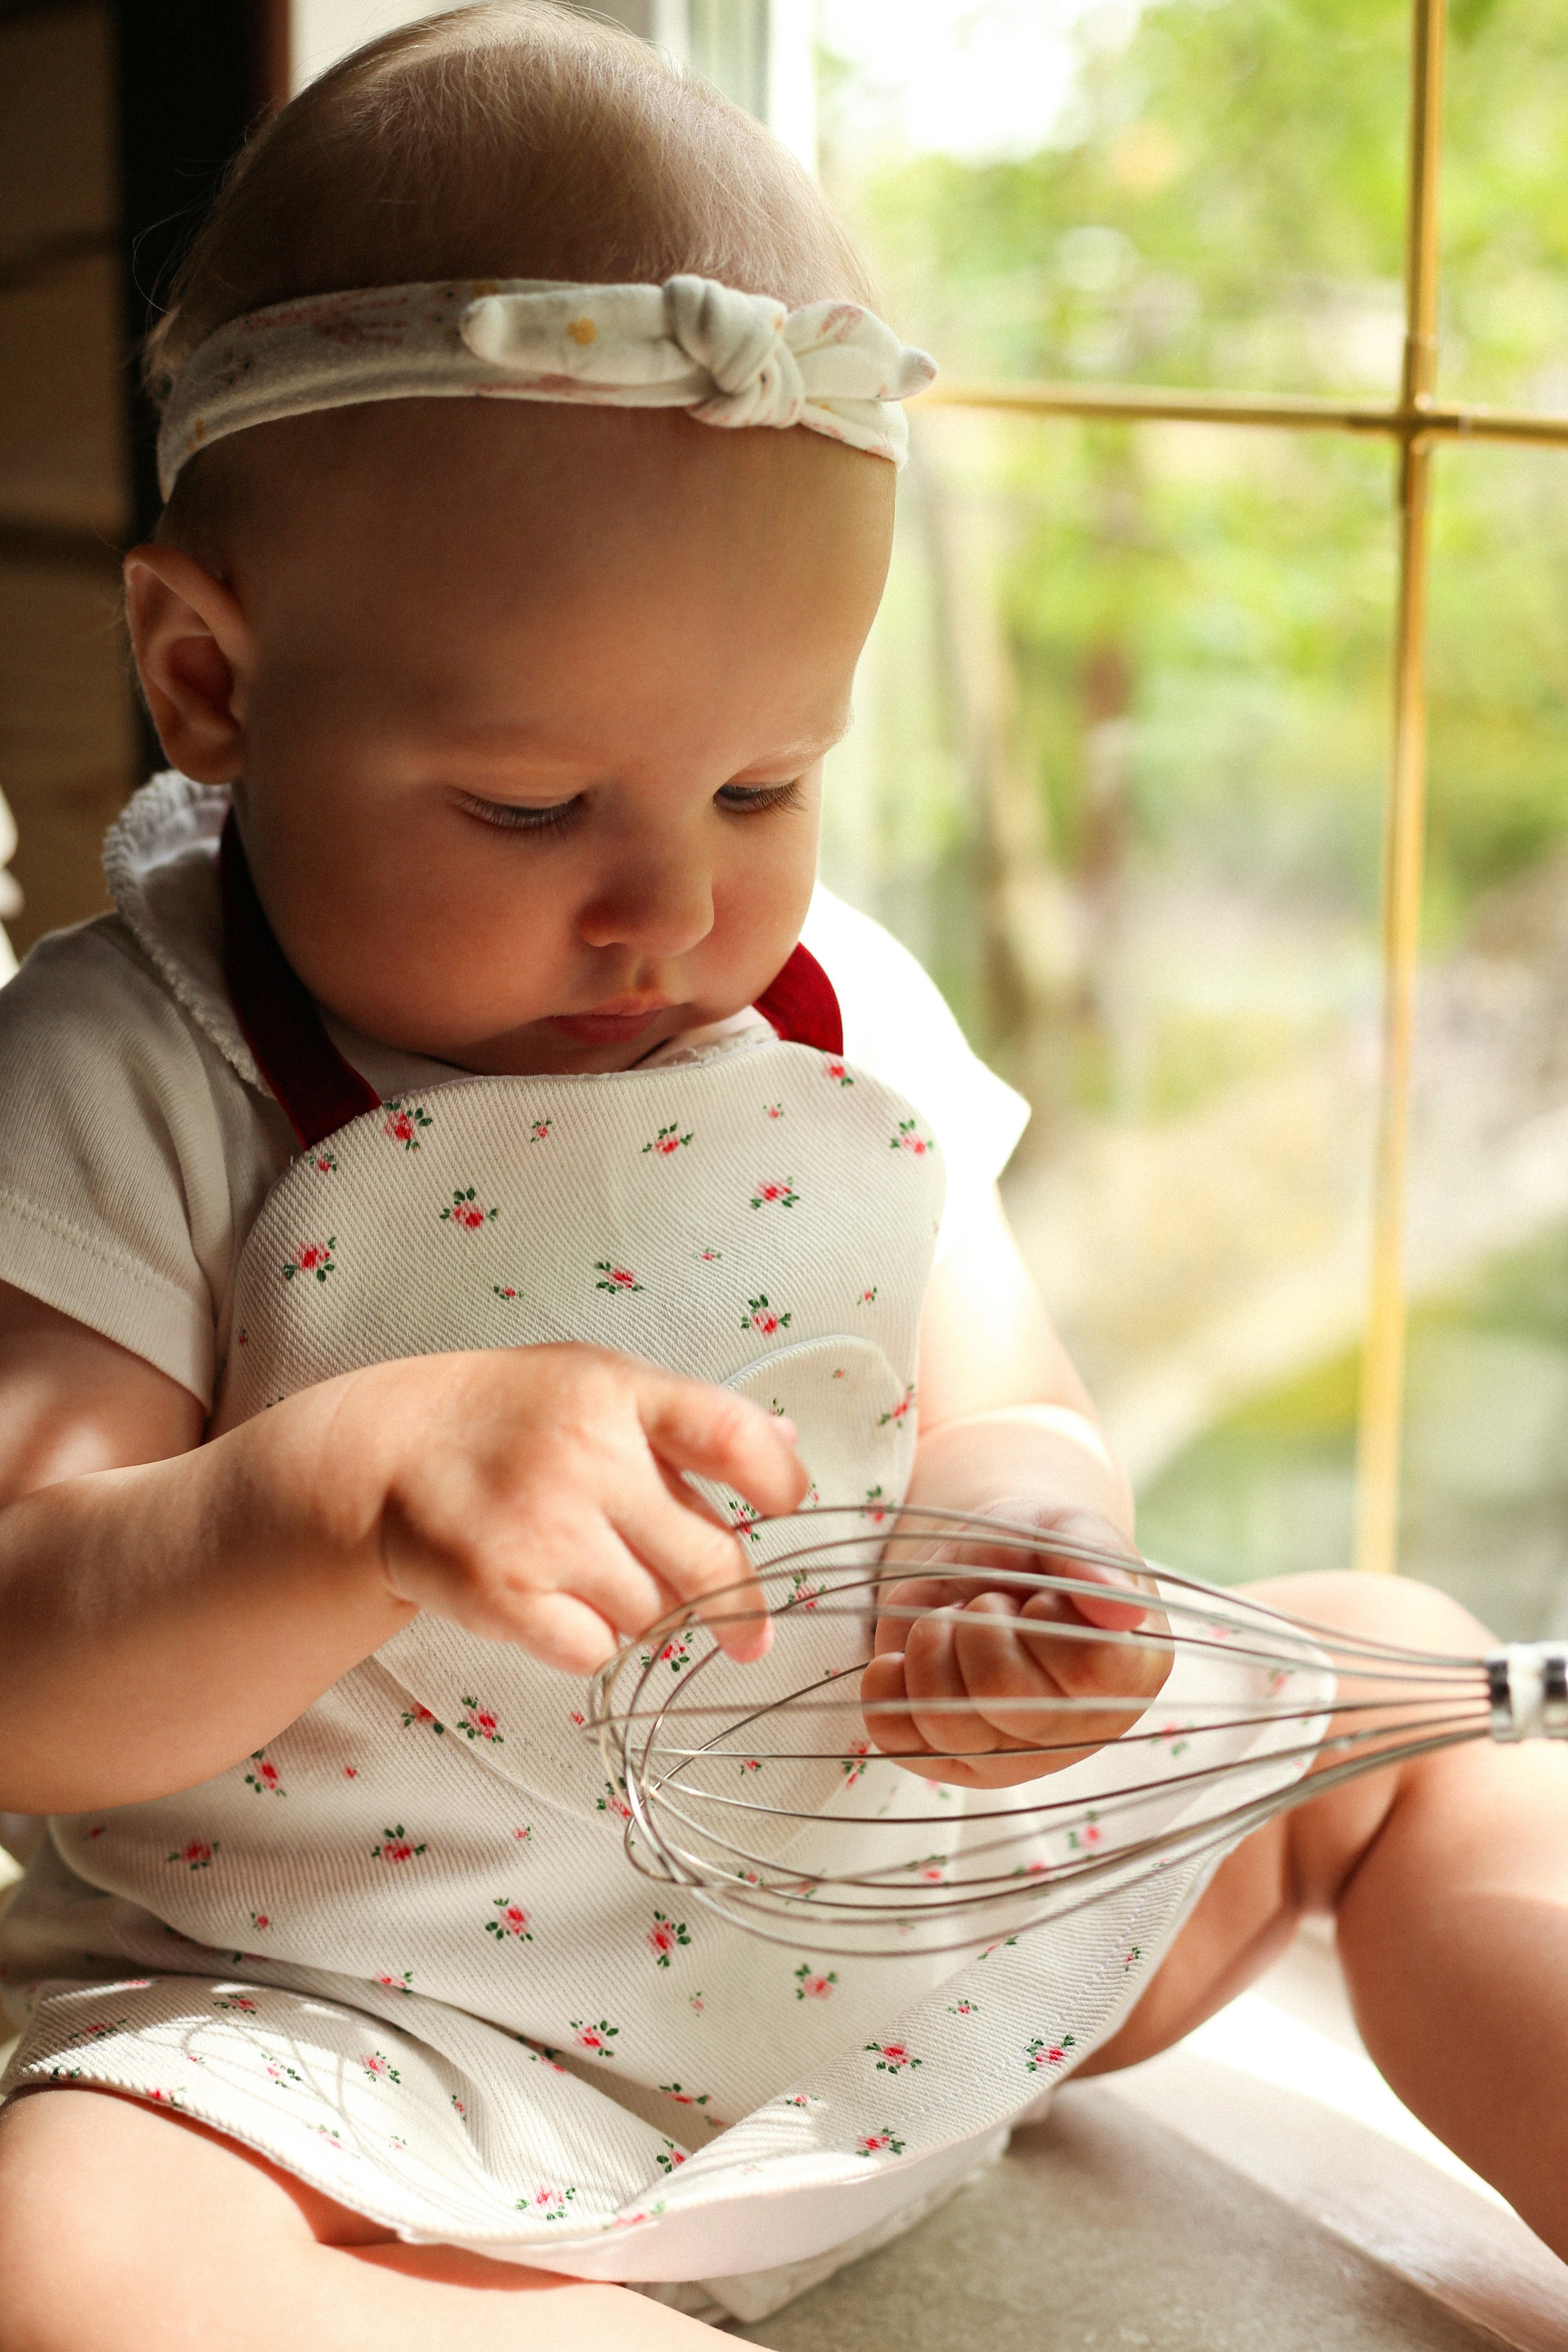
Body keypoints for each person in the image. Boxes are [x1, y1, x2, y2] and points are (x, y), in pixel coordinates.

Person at [0, 8, 1562, 2345]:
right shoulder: (130, 1069)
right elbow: (24, 1665)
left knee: (1409, 1690)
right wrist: (333, 1495)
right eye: (531, 807)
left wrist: (1028, 1552)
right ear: (209, 678)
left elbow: (1004, 1403)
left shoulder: (841, 1012)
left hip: (899, 1924)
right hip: (395, 2046)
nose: (670, 908)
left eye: (763, 787)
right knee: (70, 2245)